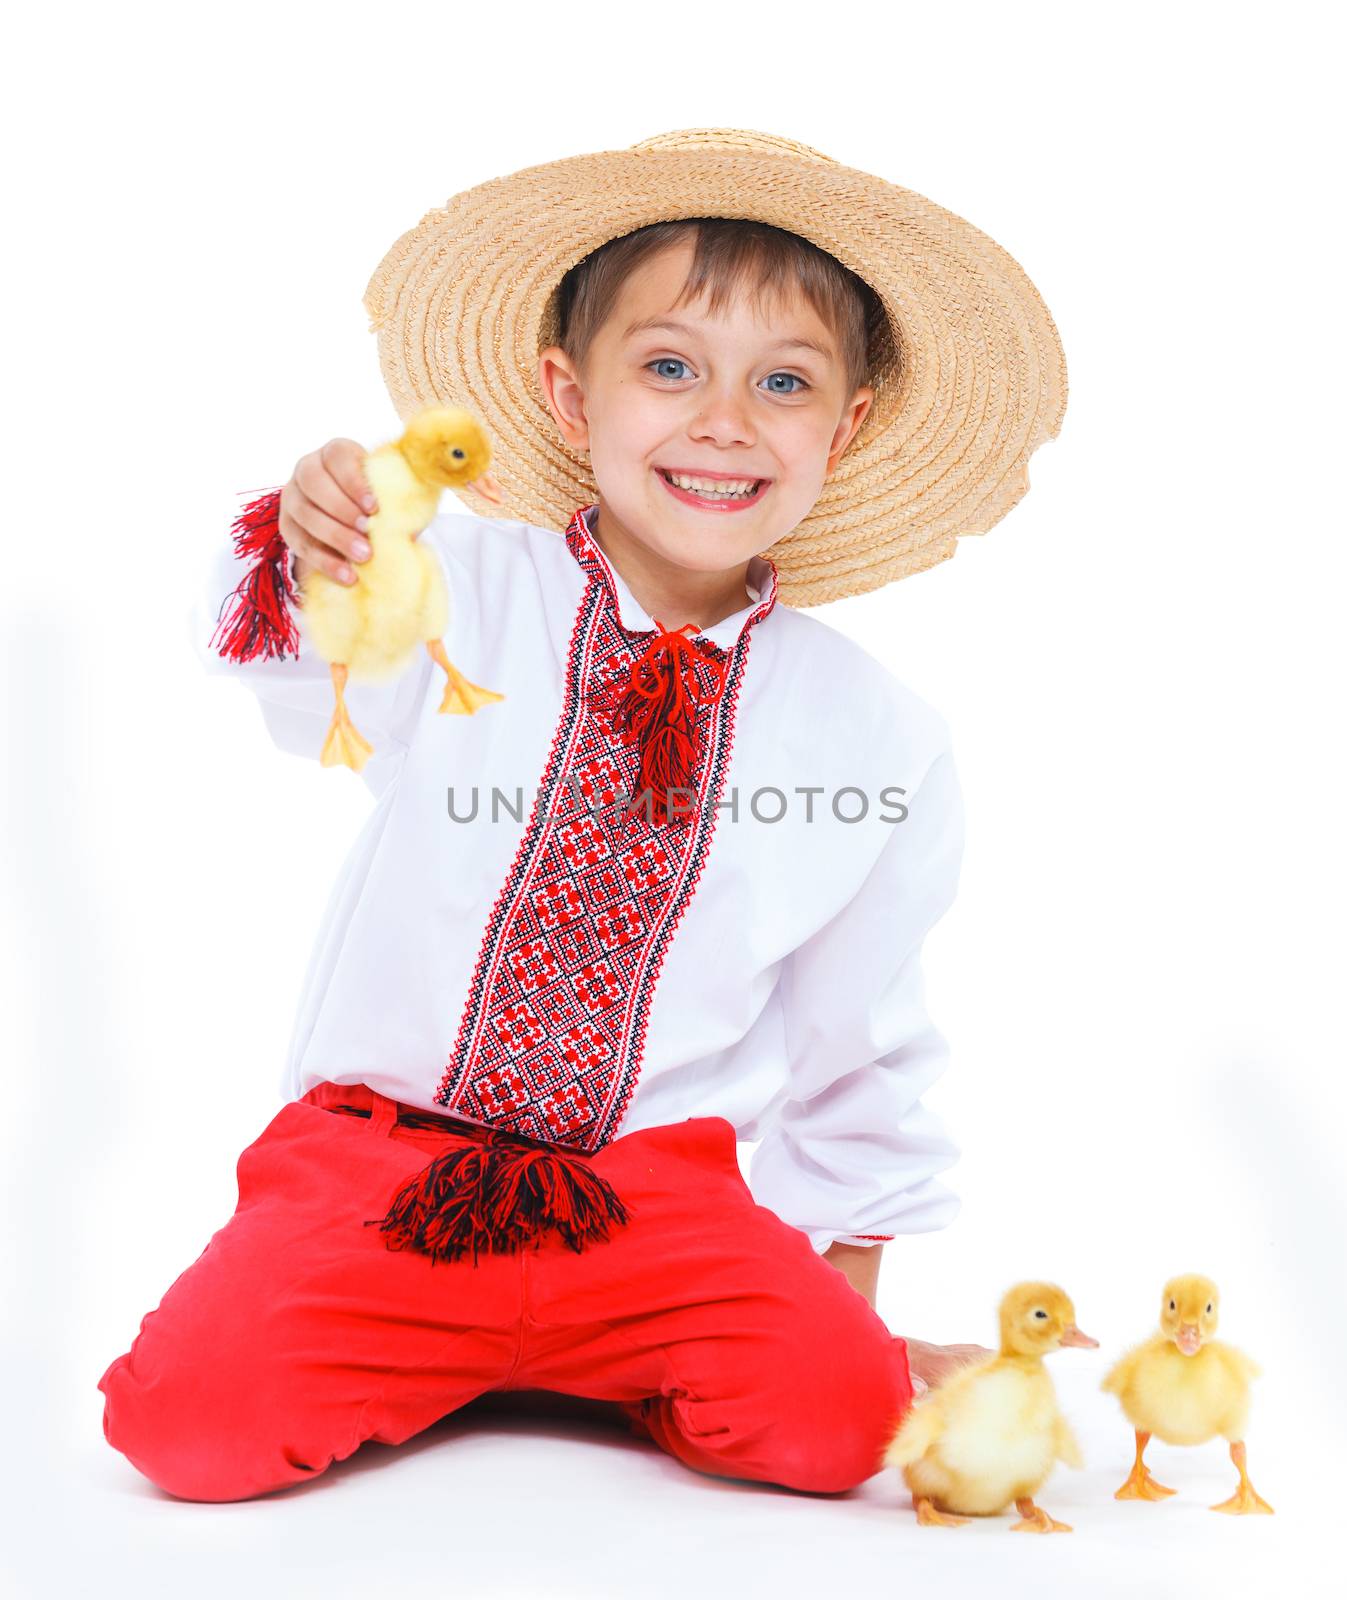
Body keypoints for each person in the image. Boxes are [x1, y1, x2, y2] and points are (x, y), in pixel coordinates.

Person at [96, 127, 1066, 1503]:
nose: (724, 421)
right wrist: (318, 539)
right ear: (568, 394)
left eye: (782, 383)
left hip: (657, 1205)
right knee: (182, 1433)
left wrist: (848, 1316)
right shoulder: (454, 588)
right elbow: (292, 664)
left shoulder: (878, 737)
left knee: (837, 1429)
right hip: (385, 1169)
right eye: (669, 367)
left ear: (844, 429)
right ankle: (463, 1348)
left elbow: (859, 1036)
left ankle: (604, 1353)